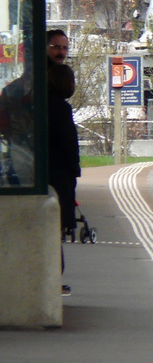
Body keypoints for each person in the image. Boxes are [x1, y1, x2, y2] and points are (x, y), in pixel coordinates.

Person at [46, 29, 80, 296]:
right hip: (54, 175)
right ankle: (51, 281)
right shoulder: (58, 106)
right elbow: (68, 147)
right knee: (52, 227)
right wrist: (74, 172)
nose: (61, 52)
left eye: (65, 48)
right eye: (56, 47)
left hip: (44, 170)